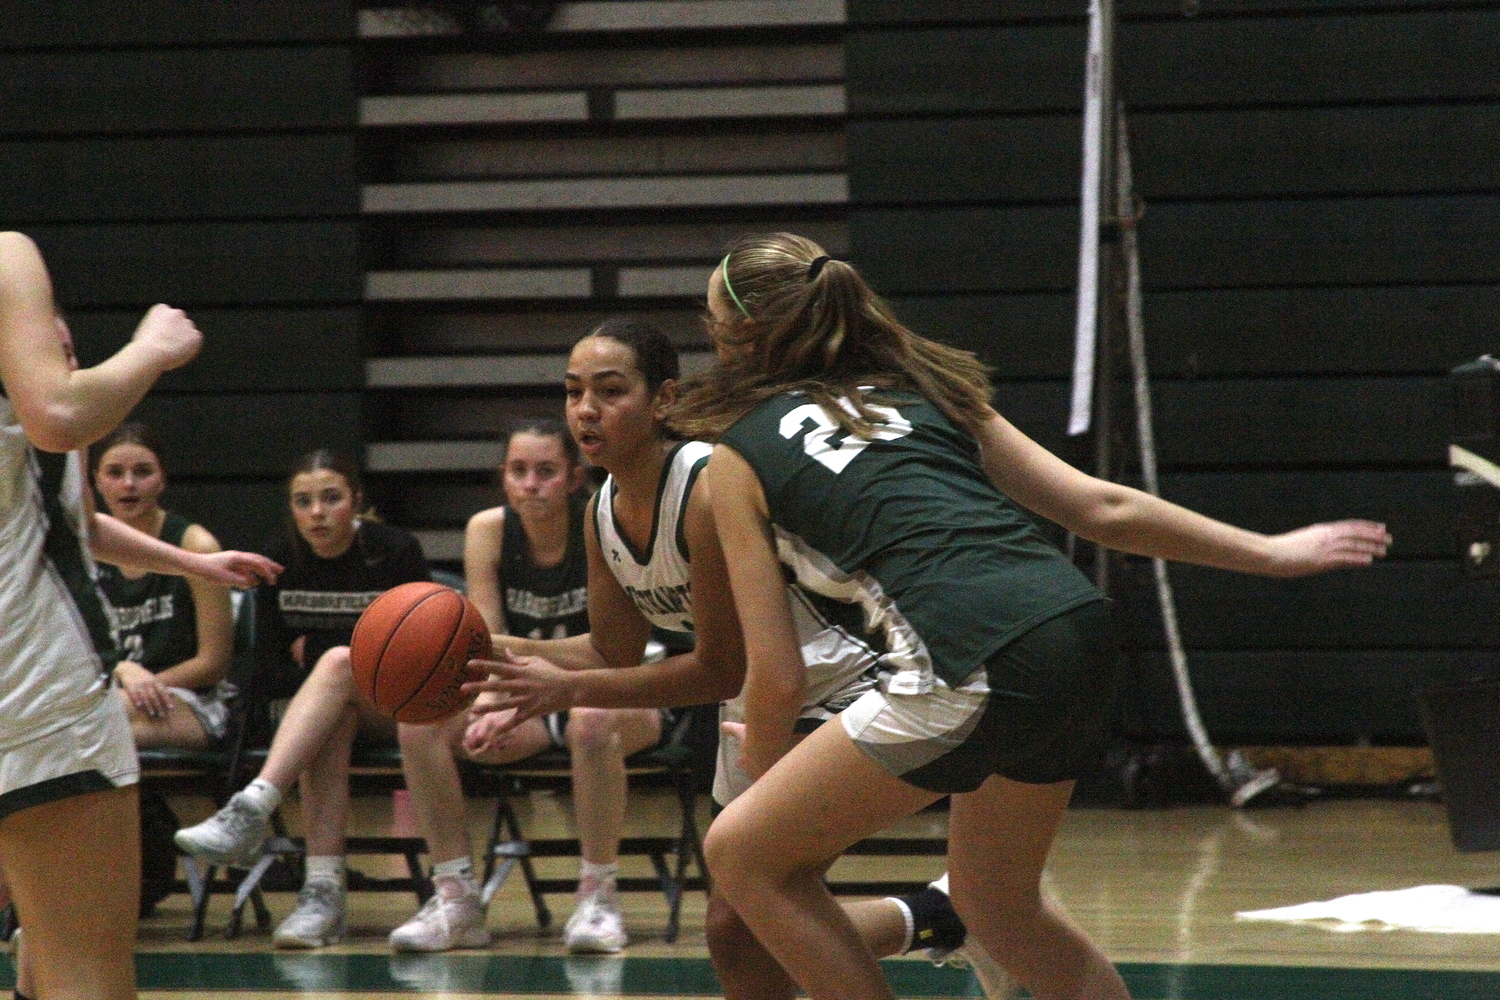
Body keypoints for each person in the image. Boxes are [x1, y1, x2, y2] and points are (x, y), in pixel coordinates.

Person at [667, 232, 1395, 1000]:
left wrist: (766, 761)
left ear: (739, 336)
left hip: (970, 658)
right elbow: (1100, 506)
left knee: (743, 853)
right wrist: (1274, 552)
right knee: (995, 904)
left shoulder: (737, 457)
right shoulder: (924, 387)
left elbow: (776, 674)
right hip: (1075, 630)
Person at [465, 317, 1012, 998]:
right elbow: (611, 650)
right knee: (736, 929)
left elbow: (717, 667)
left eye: (609, 391)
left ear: (662, 400)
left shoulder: (702, 485)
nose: (584, 409)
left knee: (756, 911)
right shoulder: (601, 507)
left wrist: (565, 692)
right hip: (762, 695)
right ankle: (939, 916)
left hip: (842, 681)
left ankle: (942, 916)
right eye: (573, 391)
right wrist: (497, 649)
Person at [0, 231, 281, 1000]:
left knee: (40, 959)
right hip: (28, 688)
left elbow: (63, 515)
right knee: (85, 979)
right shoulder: (5, 259)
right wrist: (151, 349)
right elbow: (59, 414)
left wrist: (193, 564)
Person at [394, 417, 671, 954]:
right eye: (518, 471)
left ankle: (597, 896)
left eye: (546, 471)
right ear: (503, 478)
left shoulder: (603, 522)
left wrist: (525, 695)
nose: (531, 483)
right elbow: (489, 639)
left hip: (622, 691)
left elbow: (620, 652)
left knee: (588, 721)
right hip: (530, 697)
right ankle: (456, 898)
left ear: (573, 477)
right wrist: (500, 700)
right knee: (418, 718)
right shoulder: (488, 530)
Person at [173, 450, 431, 948]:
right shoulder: (278, 560)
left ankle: (254, 806)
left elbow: (415, 648)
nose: (317, 512)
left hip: (397, 706)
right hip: (315, 715)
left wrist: (314, 650)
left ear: (355, 501)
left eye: (331, 498)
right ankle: (322, 895)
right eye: (303, 501)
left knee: (334, 662)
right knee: (330, 718)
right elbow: (263, 665)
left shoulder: (395, 551)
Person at [92, 422, 236, 750]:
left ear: (163, 479)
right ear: (96, 481)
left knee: (87, 738)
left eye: (142, 472)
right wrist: (124, 670)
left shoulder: (197, 546)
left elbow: (213, 663)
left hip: (191, 700)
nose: (128, 484)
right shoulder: (81, 550)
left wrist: (145, 685)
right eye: (115, 473)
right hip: (108, 695)